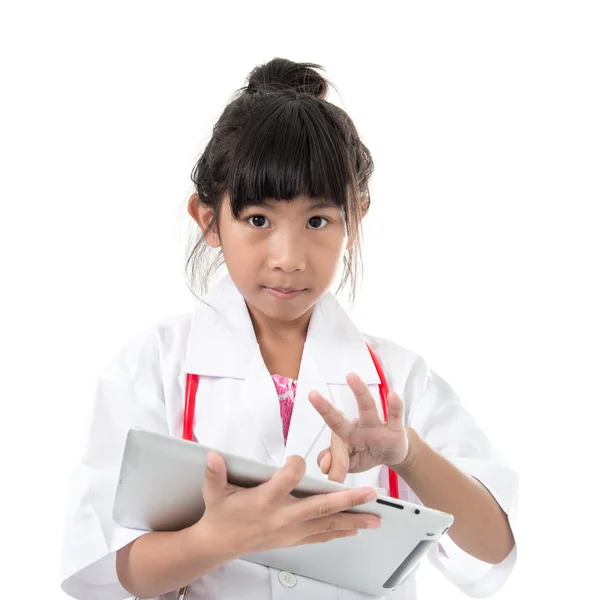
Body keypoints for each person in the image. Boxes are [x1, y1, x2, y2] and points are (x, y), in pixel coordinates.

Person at [59, 57, 518, 600]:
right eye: (258, 220)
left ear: (356, 217)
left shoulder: (397, 379)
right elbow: (109, 570)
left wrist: (410, 455)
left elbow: (493, 545)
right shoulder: (154, 364)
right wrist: (218, 539)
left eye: (317, 221)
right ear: (207, 219)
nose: (289, 257)